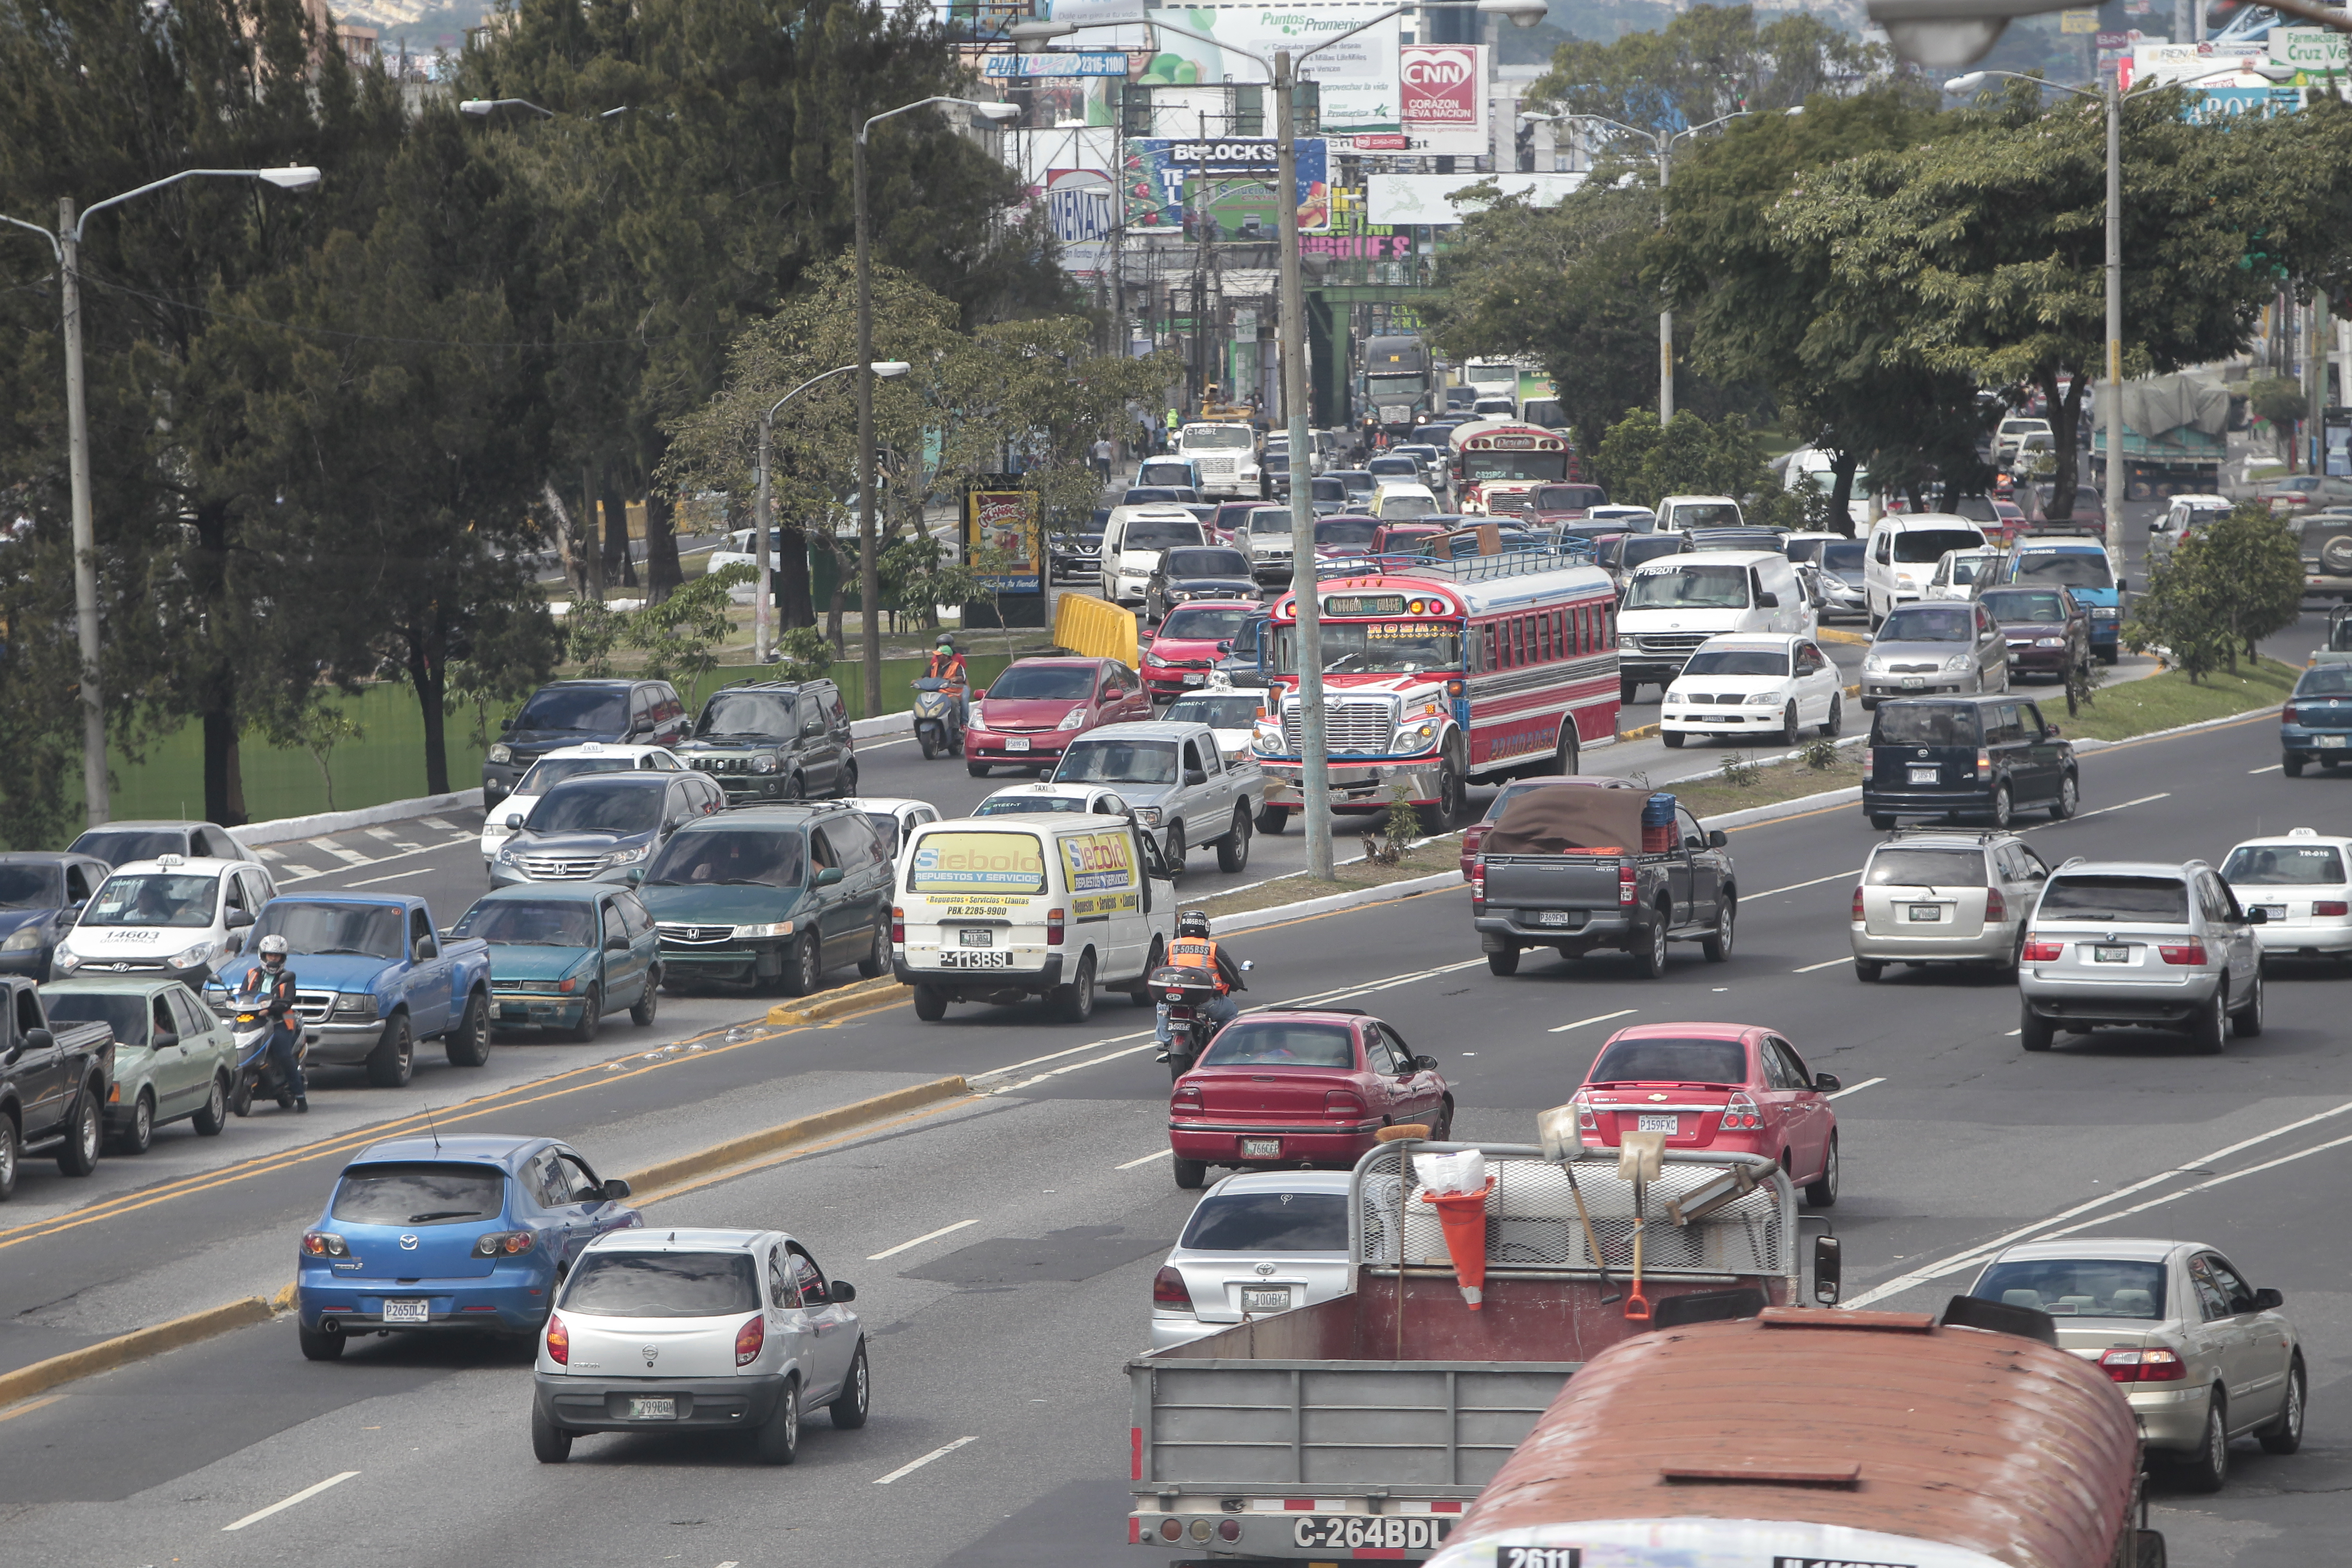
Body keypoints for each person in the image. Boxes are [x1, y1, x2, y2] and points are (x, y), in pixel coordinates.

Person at [1155, 907, 1246, 1059]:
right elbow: (1230, 974)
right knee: (1231, 1012)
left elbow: (1160, 970)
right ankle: (1221, 1047)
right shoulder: (1212, 948)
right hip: (1205, 1001)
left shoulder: (1173, 946)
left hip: (1174, 999)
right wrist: (1238, 984)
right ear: (1205, 927)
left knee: (1162, 1006)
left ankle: (1166, 1042)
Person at [243, 933, 307, 1112]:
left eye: (277, 956)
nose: (273, 959)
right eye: (270, 955)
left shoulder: (288, 977)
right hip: (255, 1021)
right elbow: (243, 995)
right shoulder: (251, 974)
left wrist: (269, 1010)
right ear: (263, 956)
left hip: (280, 1022)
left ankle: (300, 1096)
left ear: (283, 958)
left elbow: (287, 1001)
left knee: (283, 1054)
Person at [917, 633, 968, 740]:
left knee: (954, 703)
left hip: (951, 693)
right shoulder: (934, 665)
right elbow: (925, 676)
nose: (937, 657)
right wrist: (917, 682)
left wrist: (955, 679)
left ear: (946, 656)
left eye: (939, 655)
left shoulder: (956, 665)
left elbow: (962, 677)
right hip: (936, 693)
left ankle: (955, 730)